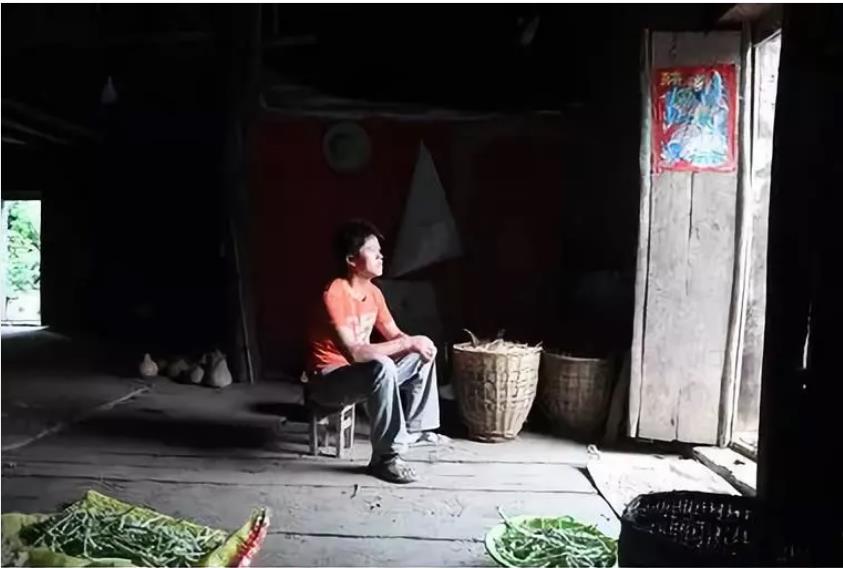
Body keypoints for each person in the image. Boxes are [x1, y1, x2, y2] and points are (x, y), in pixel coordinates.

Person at [305, 219, 448, 483]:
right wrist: (407, 343)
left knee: (423, 352)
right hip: (327, 381)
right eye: (372, 250)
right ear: (351, 259)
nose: (381, 256)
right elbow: (355, 353)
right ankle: (385, 458)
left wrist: (415, 342)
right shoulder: (333, 294)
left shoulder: (374, 293)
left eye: (380, 251)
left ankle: (416, 430)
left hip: (361, 374)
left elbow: (396, 335)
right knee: (383, 365)